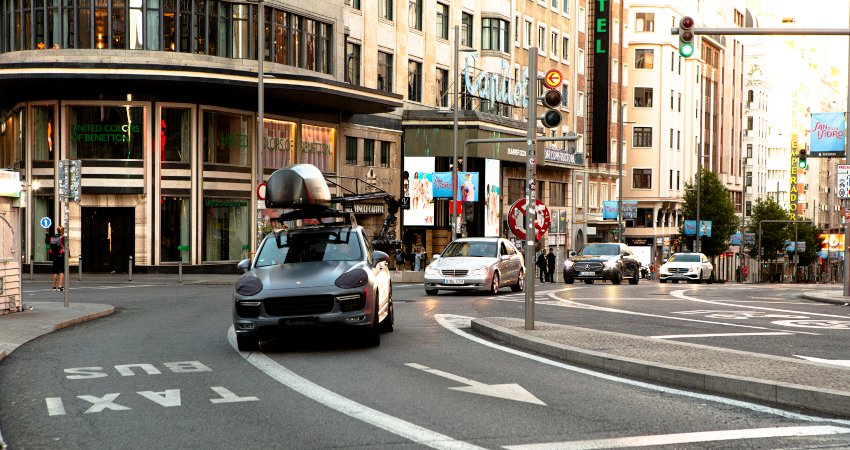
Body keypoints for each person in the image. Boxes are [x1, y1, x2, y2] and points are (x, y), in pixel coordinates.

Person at [45, 225, 66, 291]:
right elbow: (66, 246)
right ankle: (60, 286)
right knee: (62, 271)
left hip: (54, 256)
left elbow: (46, 241)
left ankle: (54, 286)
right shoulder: (63, 238)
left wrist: (47, 234)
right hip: (61, 256)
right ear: (63, 231)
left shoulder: (53, 237)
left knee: (55, 271)